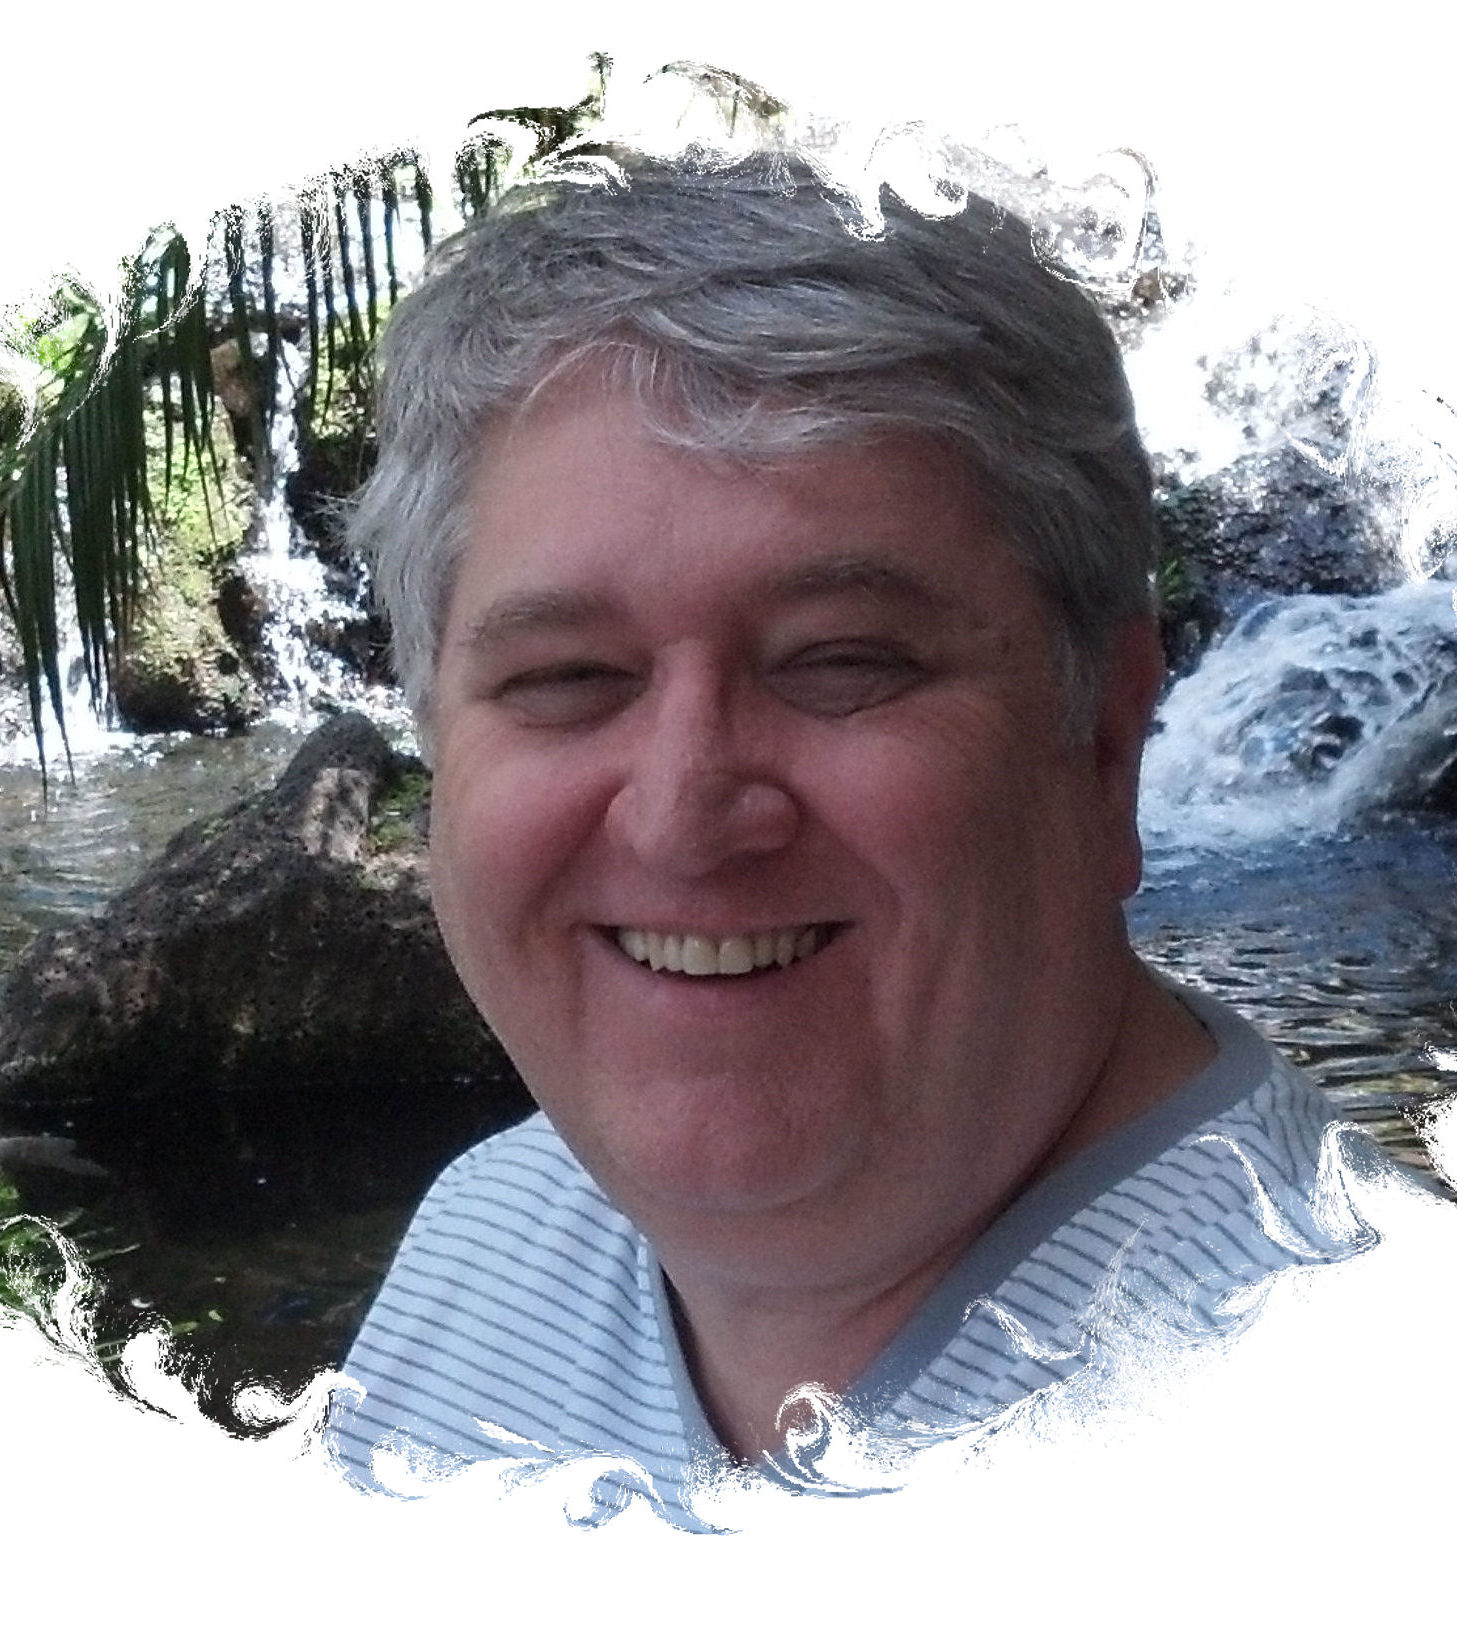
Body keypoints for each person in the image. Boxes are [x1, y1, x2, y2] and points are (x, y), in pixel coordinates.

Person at [325, 144, 1378, 1524]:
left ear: (1107, 742)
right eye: (567, 678)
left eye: (842, 661)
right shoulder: (490, 1231)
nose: (683, 815)